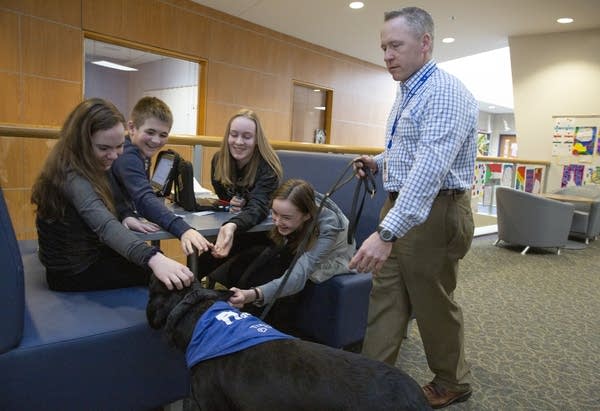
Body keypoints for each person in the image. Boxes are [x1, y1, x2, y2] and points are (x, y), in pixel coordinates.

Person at [348, 7, 478, 409]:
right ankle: (372, 380)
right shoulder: (410, 90)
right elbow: (407, 151)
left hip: (436, 212)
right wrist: (379, 161)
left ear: (425, 44)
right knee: (385, 298)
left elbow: (430, 168)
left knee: (432, 301)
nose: (387, 55)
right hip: (404, 204)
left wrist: (387, 231)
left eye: (395, 45)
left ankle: (452, 381)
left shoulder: (445, 92)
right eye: (384, 46)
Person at [31, 98, 194, 292]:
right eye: (104, 148)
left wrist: (125, 214)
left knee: (162, 268)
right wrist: (153, 257)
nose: (115, 155)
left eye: (119, 146)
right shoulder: (71, 175)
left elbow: (113, 198)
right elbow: (105, 225)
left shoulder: (89, 161)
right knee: (165, 276)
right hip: (71, 272)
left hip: (87, 256)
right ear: (81, 142)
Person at [226, 179, 356, 331]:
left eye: (286, 217)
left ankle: (271, 334)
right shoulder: (293, 202)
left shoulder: (329, 227)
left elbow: (299, 274)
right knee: (248, 263)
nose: (277, 221)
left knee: (283, 283)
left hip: (329, 260)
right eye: (274, 213)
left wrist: (252, 294)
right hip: (298, 244)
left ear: (307, 215)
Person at [111, 96, 212, 256]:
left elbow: (118, 192)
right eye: (150, 132)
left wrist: (125, 214)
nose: (156, 140)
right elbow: (143, 198)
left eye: (163, 135)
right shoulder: (128, 155)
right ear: (131, 128)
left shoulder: (141, 150)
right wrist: (183, 229)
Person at [198, 109, 282, 279]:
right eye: (234, 134)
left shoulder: (268, 167)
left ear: (257, 140)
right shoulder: (219, 160)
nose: (238, 141)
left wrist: (232, 225)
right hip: (236, 230)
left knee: (214, 266)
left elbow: (258, 207)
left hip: (261, 236)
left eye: (247, 136)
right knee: (198, 264)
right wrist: (234, 204)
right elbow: (225, 197)